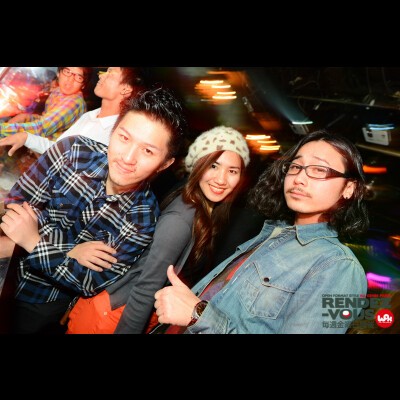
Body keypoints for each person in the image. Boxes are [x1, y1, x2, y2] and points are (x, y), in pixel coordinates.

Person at [0, 87, 186, 334]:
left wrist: (33, 241)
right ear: (113, 131)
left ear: (165, 164)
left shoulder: (143, 219)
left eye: (147, 151)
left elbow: (88, 282)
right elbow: (16, 206)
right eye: (124, 138)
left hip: (44, 302)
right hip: (6, 267)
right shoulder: (72, 151)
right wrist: (71, 250)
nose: (128, 158)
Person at [153, 129, 370, 334]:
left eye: (319, 170)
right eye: (295, 166)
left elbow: (202, 314)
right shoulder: (272, 234)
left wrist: (198, 315)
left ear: (348, 188)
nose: (299, 178)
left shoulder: (343, 268)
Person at [65, 126, 250, 334]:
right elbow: (146, 287)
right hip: (116, 314)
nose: (221, 179)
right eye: (213, 166)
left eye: (232, 171)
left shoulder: (204, 211)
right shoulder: (181, 218)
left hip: (126, 313)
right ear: (198, 164)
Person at [0, 67, 147, 156]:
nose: (101, 75)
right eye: (67, 72)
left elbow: (43, 129)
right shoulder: (90, 116)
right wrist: (26, 137)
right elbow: (58, 150)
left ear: (126, 89)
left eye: (110, 73)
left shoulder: (114, 134)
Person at [0, 67, 92, 141]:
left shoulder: (74, 103)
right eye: (67, 72)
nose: (70, 80)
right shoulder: (58, 91)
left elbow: (42, 128)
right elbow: (46, 119)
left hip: (50, 152)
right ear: (58, 73)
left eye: (78, 77)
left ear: (83, 85)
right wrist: (26, 117)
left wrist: (2, 129)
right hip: (41, 142)